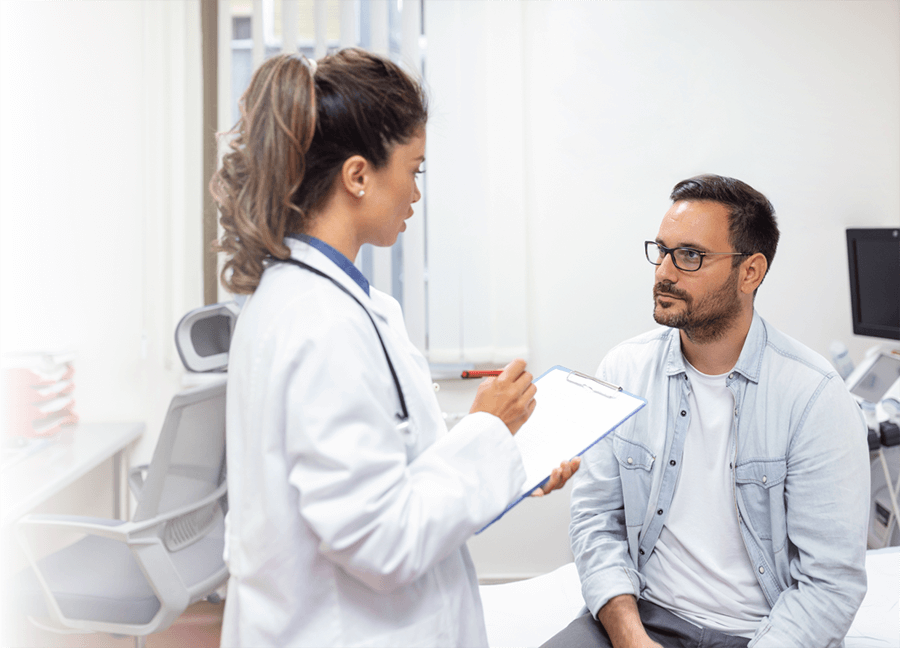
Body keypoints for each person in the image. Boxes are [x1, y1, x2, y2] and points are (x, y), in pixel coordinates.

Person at [210, 49, 578, 648]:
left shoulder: (332, 303)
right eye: (414, 169)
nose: (415, 192)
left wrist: (501, 447)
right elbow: (381, 538)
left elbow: (391, 454)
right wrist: (486, 434)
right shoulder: (320, 324)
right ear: (358, 175)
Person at [543, 175, 869, 648]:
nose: (665, 272)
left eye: (690, 255)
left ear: (750, 272)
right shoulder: (624, 369)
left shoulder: (814, 397)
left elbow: (830, 585)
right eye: (663, 250)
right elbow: (596, 521)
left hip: (760, 635)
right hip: (642, 617)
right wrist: (631, 637)